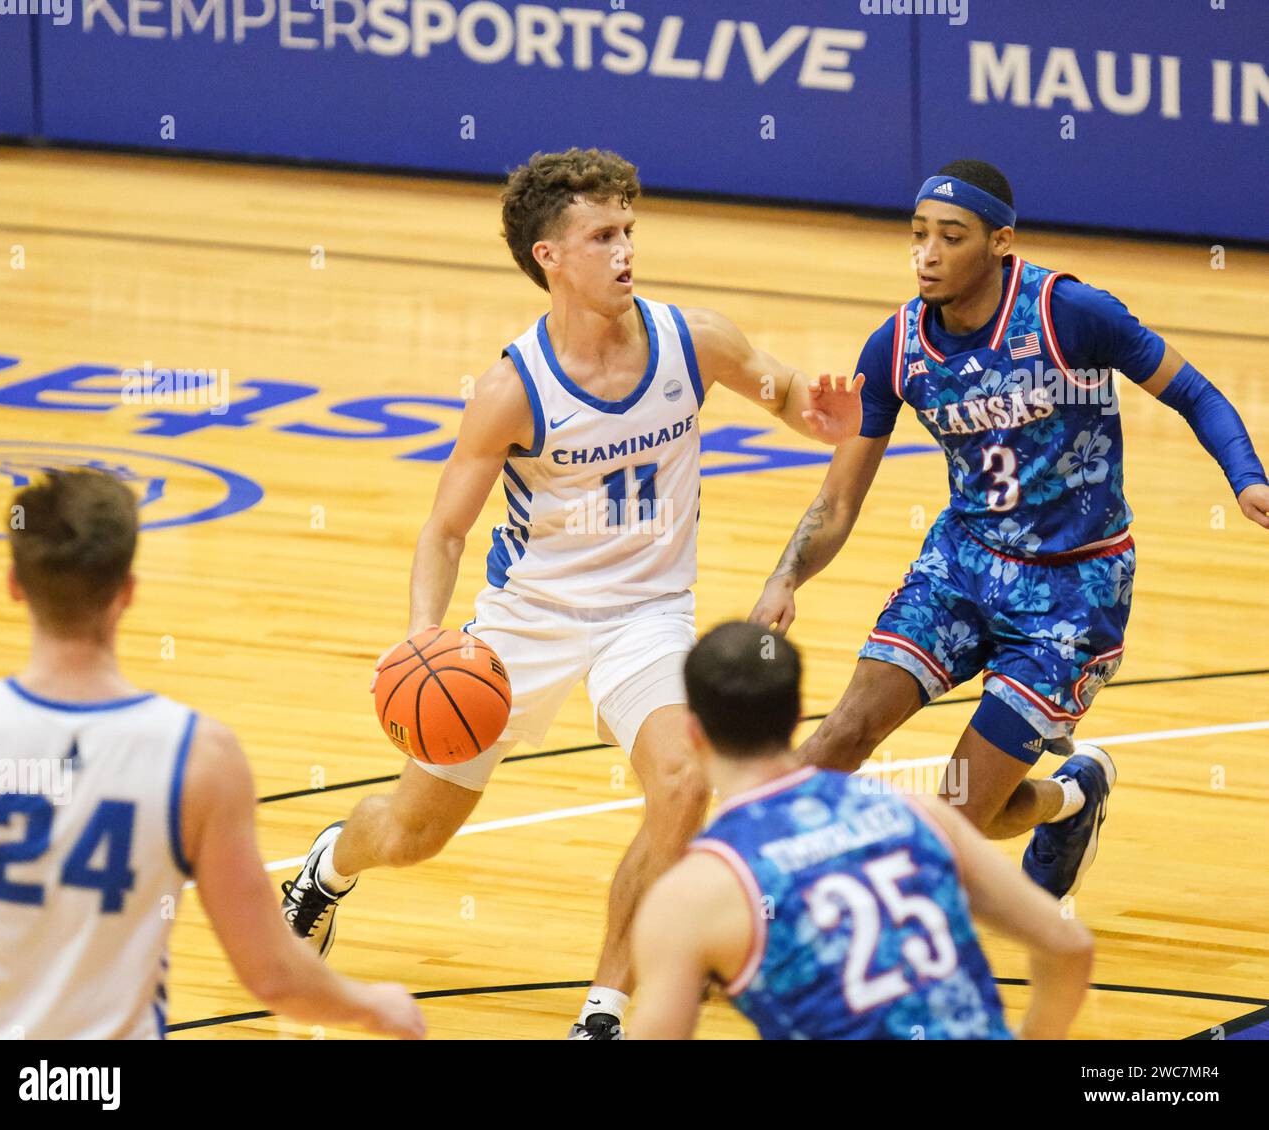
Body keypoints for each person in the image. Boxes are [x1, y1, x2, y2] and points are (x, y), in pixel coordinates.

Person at [280, 147, 863, 1039]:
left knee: (680, 780)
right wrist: (421, 635)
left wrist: (822, 416)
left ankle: (606, 1009)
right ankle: (327, 867)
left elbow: (790, 393)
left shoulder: (692, 339)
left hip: (648, 618)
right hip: (526, 625)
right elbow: (443, 531)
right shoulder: (511, 389)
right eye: (602, 235)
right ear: (550, 256)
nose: (625, 249)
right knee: (410, 833)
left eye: (629, 229)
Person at [751, 159, 1269, 898]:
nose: (927, 254)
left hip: (1074, 589)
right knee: (842, 732)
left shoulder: (1072, 313)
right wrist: (785, 575)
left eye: (951, 237)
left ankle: (1070, 798)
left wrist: (1246, 476)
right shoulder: (894, 347)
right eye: (918, 234)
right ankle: (747, 895)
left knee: (964, 812)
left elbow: (1195, 391)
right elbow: (838, 502)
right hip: (963, 564)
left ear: (1000, 242)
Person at [0, 469, 425, 1040]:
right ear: (128, 591)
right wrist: (372, 1004)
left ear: (13, 583)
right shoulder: (199, 755)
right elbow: (272, 976)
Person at [629, 621, 1093, 1040]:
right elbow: (1070, 946)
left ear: (693, 734)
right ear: (796, 718)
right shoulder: (916, 812)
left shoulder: (693, 892)